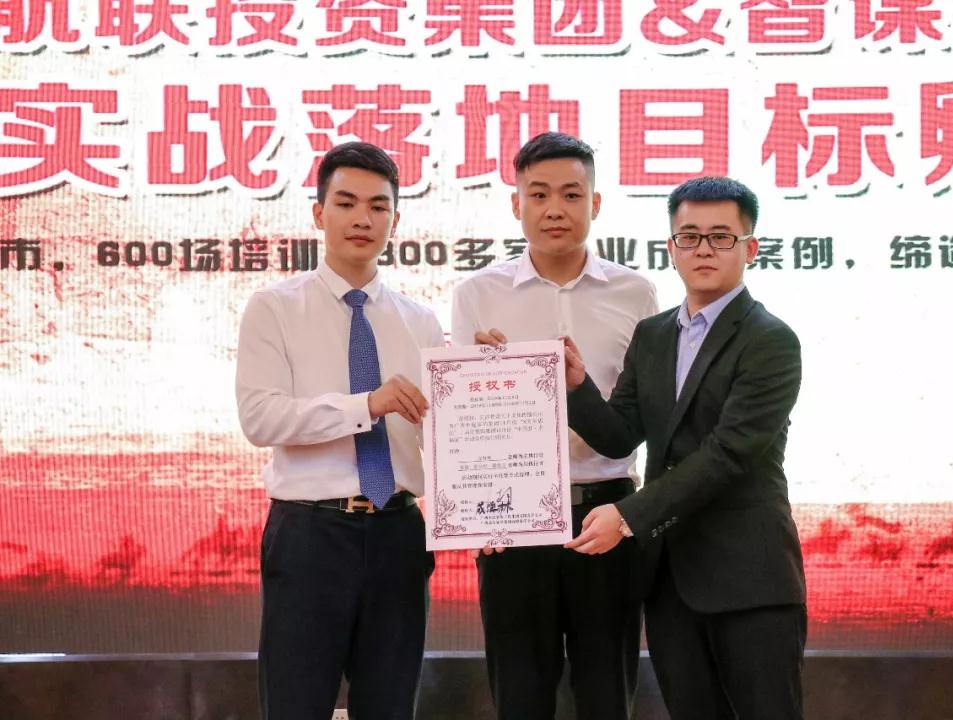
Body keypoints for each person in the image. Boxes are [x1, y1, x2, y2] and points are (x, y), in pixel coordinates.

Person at [562, 176, 807, 719]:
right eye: (689, 236)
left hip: (750, 579)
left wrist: (629, 514)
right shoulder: (652, 334)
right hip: (670, 580)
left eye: (721, 237)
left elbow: (728, 454)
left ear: (751, 248)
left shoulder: (770, 340)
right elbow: (620, 435)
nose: (704, 249)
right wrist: (578, 388)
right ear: (671, 248)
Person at [451, 132, 658, 720]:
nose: (554, 209)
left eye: (571, 194)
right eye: (538, 194)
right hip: (511, 522)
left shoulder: (636, 292)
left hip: (606, 518)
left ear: (596, 203)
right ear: (516, 203)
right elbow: (461, 423)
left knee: (606, 695)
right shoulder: (477, 294)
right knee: (520, 695)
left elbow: (641, 415)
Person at [236, 142, 442, 719]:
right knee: (296, 704)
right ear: (318, 212)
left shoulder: (420, 321)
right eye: (346, 203)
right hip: (310, 535)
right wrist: (365, 405)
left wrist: (489, 378)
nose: (362, 219)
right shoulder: (274, 308)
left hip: (399, 532)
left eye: (378, 206)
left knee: (390, 706)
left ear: (395, 220)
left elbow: (445, 435)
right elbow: (261, 418)